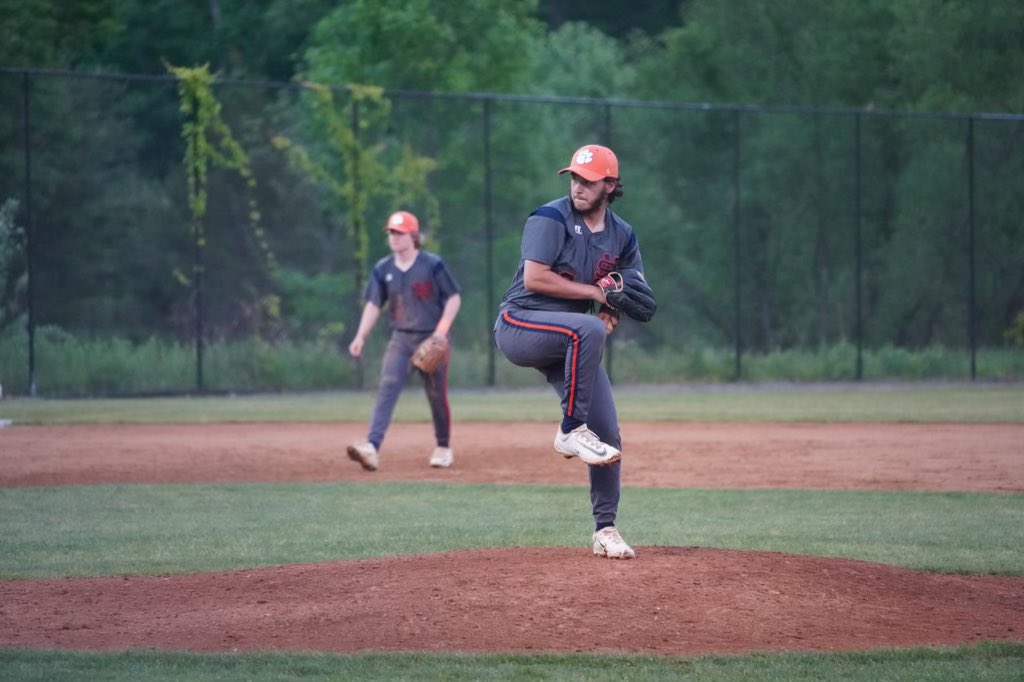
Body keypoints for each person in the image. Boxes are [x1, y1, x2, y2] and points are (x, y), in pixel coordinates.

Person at [493, 144, 648, 560]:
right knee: (586, 328)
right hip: (521, 324)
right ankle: (569, 431)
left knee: (608, 434)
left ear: (610, 186)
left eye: (589, 180)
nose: (578, 186)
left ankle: (606, 529)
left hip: (573, 339)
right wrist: (596, 297)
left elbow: (630, 289)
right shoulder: (550, 217)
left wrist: (611, 307)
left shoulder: (623, 235)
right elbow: (536, 279)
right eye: (575, 178)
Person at [347, 210, 462, 471]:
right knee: (387, 389)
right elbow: (374, 305)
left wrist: (441, 331)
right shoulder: (383, 268)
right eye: (391, 233)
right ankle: (372, 447)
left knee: (435, 395)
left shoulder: (432, 264)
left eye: (399, 233)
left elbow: (454, 298)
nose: (394, 237)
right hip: (400, 340)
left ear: (413, 236)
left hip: (432, 339)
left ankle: (443, 447)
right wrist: (360, 336)